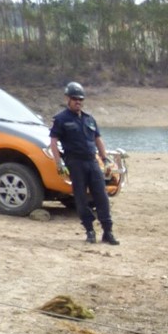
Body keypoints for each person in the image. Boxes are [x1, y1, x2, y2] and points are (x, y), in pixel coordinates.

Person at [48, 81, 119, 245]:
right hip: (75, 162)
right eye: (74, 98)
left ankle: (107, 231)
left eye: (80, 99)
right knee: (81, 198)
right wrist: (59, 164)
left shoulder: (89, 119)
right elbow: (53, 141)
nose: (77, 101)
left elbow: (97, 139)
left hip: (92, 162)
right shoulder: (61, 119)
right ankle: (89, 231)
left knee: (102, 196)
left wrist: (105, 159)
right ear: (68, 98)